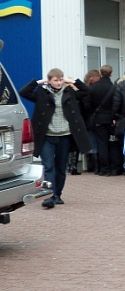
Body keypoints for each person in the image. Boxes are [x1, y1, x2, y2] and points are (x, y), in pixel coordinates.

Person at [20, 69, 92, 209]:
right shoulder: (42, 93)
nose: (58, 83)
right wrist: (38, 82)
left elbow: (87, 91)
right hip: (47, 136)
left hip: (64, 136)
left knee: (60, 167)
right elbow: (24, 92)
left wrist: (73, 81)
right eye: (55, 80)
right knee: (48, 166)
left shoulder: (70, 93)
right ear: (49, 81)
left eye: (60, 80)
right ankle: (49, 196)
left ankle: (57, 194)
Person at [87, 65, 120, 176]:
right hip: (111, 119)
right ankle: (114, 168)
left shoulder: (93, 88)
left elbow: (88, 105)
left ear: (100, 73)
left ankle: (104, 169)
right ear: (111, 74)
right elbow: (116, 104)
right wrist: (114, 117)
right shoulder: (114, 87)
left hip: (98, 119)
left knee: (102, 144)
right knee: (113, 143)